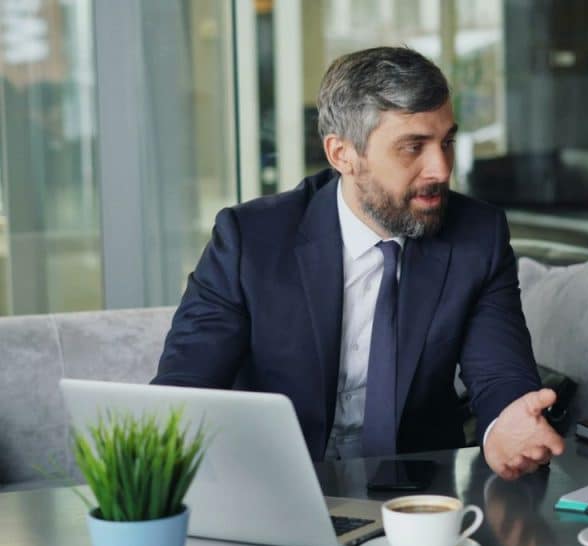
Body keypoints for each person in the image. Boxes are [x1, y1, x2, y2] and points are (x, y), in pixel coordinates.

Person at [154, 47, 563, 480]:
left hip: (416, 500)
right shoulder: (249, 241)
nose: (441, 169)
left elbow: (500, 372)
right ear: (342, 155)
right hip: (276, 487)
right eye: (412, 147)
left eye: (446, 142)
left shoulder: (477, 236)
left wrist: (506, 426)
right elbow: (185, 389)